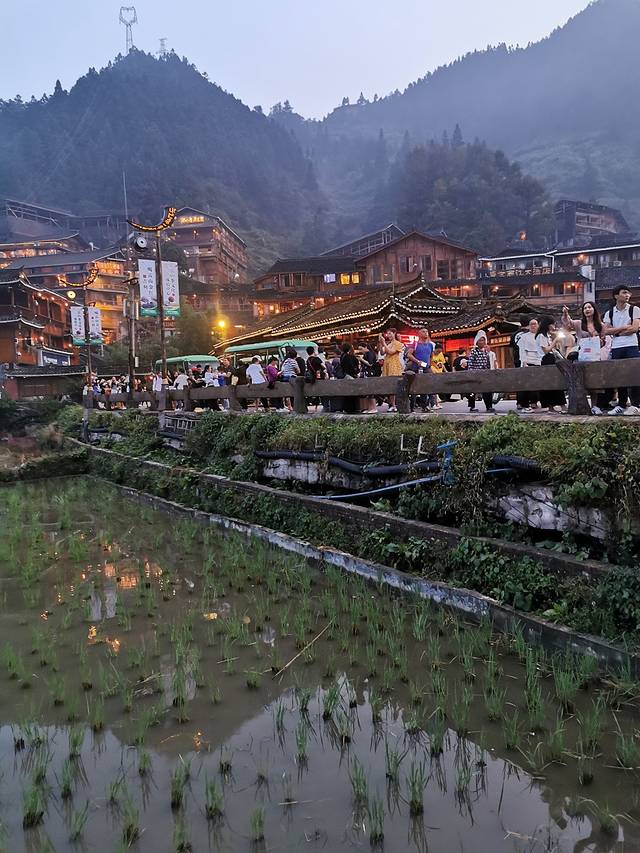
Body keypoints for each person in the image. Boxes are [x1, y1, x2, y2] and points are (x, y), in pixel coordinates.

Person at [562, 301, 609, 415]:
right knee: (582, 380)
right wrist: (565, 314)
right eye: (585, 308)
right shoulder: (579, 323)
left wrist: (599, 341)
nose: (587, 310)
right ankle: (582, 405)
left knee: (594, 380)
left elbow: (604, 340)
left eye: (589, 307)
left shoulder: (601, 325)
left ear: (594, 309)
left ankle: (595, 406)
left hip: (595, 355)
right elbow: (568, 323)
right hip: (582, 354)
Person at [602, 285, 640, 415]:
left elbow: (634, 328)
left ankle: (636, 404)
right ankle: (622, 404)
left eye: (628, 293)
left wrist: (616, 331)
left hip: (631, 344)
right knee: (620, 375)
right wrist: (624, 328)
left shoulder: (634, 309)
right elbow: (606, 331)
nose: (627, 295)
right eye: (624, 293)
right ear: (616, 296)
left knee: (634, 373)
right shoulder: (610, 313)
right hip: (616, 346)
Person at [536, 317, 566, 413]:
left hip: (550, 358)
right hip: (546, 359)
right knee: (551, 383)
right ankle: (552, 406)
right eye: (553, 324)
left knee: (556, 382)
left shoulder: (547, 336)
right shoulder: (541, 336)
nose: (554, 326)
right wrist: (555, 340)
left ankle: (557, 405)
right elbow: (546, 350)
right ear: (548, 325)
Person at [516, 318, 542, 413]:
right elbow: (522, 350)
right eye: (531, 324)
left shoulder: (541, 336)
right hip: (528, 360)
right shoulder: (524, 337)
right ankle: (525, 404)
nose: (533, 326)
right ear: (528, 326)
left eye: (535, 324)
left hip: (538, 361)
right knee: (527, 384)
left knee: (536, 384)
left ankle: (534, 401)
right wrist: (524, 361)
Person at [466, 337, 496, 413]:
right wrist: (471, 374)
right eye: (480, 340)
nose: (482, 342)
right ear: (477, 342)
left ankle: (489, 406)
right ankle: (472, 407)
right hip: (475, 373)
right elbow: (470, 363)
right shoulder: (474, 351)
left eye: (483, 340)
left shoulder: (485, 351)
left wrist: (488, 372)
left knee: (487, 390)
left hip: (484, 374)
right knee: (473, 391)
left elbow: (488, 363)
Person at [378, 328, 404, 413]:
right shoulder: (389, 344)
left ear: (394, 333)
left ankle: (395, 405)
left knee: (394, 385)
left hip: (394, 365)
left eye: (390, 333)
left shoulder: (398, 343)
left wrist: (384, 343)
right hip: (387, 365)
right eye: (387, 334)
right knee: (389, 385)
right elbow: (382, 352)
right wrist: (380, 343)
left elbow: (390, 352)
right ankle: (392, 405)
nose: (388, 335)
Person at [340, 342, 360, 414]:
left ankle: (347, 408)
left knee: (347, 393)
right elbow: (353, 367)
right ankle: (353, 408)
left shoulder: (342, 356)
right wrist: (356, 372)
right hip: (351, 376)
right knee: (352, 393)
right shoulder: (350, 357)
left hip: (345, 376)